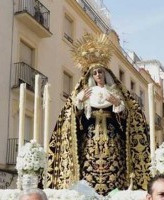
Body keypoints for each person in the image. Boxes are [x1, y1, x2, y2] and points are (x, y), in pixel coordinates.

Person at [46, 33, 151, 196]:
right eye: (94, 73)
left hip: (112, 144)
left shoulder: (115, 92)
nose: (98, 76)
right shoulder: (84, 92)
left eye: (100, 72)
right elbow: (70, 121)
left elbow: (130, 120)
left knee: (115, 178)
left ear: (105, 73)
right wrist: (79, 103)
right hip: (89, 145)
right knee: (87, 184)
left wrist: (117, 104)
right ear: (90, 76)